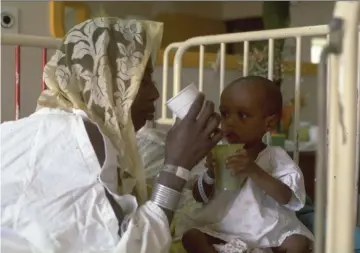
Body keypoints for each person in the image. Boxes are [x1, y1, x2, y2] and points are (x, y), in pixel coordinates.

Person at [0, 17, 222, 253]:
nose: (155, 94)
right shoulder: (80, 136)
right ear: (106, 81)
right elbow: (130, 248)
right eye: (142, 80)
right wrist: (176, 166)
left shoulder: (26, 128)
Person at [182, 76, 314, 253]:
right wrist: (211, 174)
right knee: (191, 236)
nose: (230, 122)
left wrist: (255, 171)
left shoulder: (275, 157)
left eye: (242, 115)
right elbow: (199, 196)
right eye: (225, 114)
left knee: (298, 243)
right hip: (223, 227)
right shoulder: (217, 152)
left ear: (269, 122)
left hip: (268, 229)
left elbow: (288, 198)